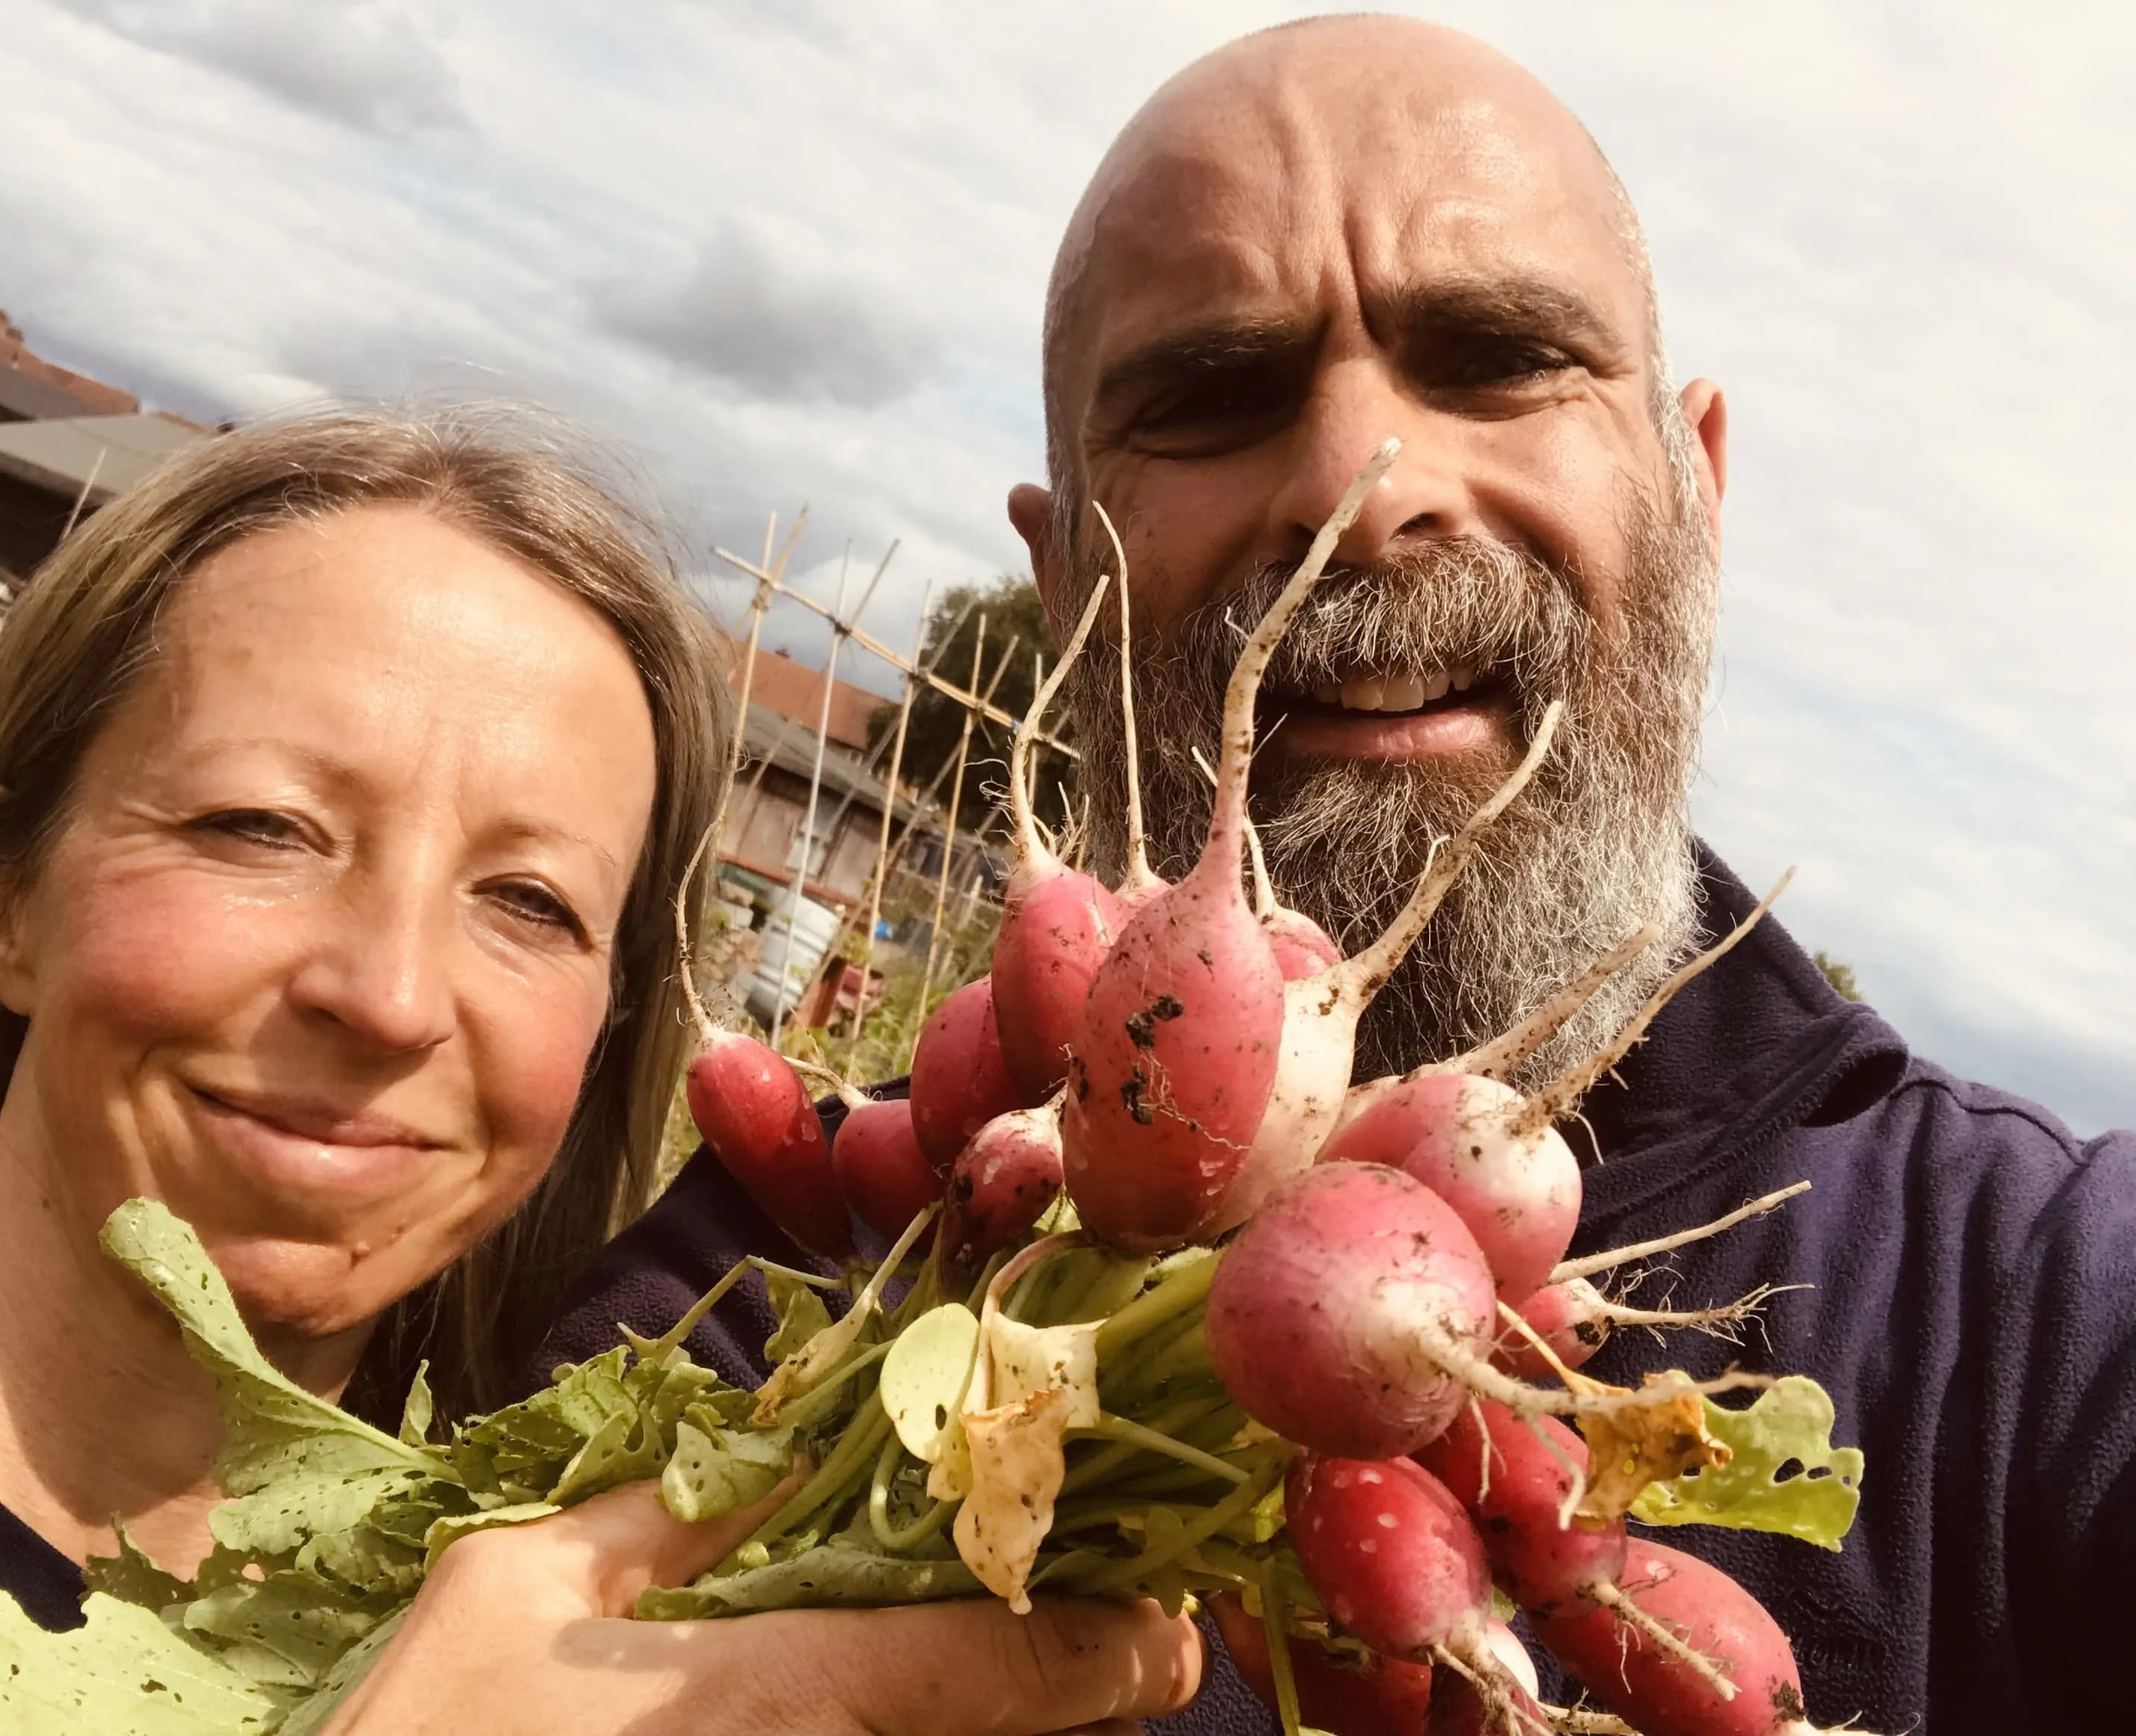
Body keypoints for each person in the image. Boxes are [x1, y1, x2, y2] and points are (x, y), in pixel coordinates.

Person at [537, 18, 2136, 1734]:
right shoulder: (746, 1315)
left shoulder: (2048, 1311)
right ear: (1062, 564)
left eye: (1497, 356)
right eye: (1213, 393)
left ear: (1695, 490)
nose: (1356, 493)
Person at [0, 408, 1202, 1736]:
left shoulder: (621, 1592)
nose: (389, 997)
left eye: (532, 902)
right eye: (259, 827)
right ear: (9, 898)